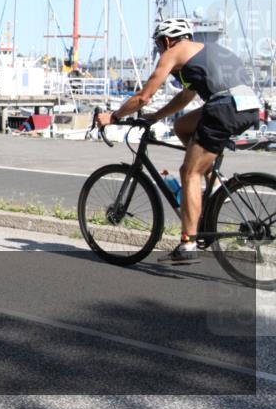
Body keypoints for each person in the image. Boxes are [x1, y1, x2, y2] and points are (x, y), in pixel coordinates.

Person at [97, 18, 261, 265]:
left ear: (166, 40)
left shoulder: (173, 53)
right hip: (247, 105)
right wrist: (156, 117)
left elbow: (143, 96)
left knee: (188, 172)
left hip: (224, 108)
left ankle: (188, 243)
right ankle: (213, 181)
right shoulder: (203, 52)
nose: (159, 51)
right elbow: (186, 96)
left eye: (158, 45)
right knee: (181, 125)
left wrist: (114, 116)